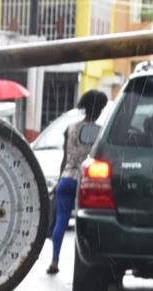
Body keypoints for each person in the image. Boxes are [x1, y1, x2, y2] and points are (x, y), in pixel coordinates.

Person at [46, 89, 108, 275]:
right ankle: (87, 266)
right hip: (88, 182)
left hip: (66, 178)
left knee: (61, 221)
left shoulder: (70, 128)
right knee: (88, 225)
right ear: (99, 109)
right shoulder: (100, 131)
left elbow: (65, 158)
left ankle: (54, 261)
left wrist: (59, 181)